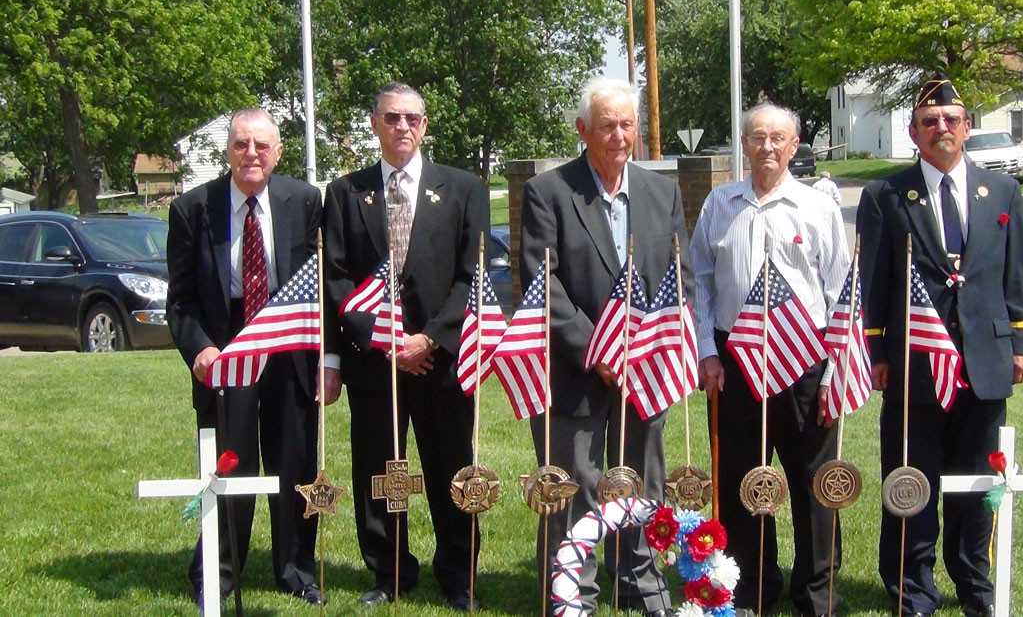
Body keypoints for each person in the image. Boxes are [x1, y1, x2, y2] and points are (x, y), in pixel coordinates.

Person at [856, 75, 1023, 617]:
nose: (942, 129)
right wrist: (878, 352)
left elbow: (1016, 273)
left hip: (984, 359)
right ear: (914, 132)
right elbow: (873, 280)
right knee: (911, 479)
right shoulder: (885, 196)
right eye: (930, 122)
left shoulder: (1001, 191)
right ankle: (912, 583)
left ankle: (972, 576)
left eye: (951, 120)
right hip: (915, 364)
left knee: (979, 480)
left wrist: (1022, 340)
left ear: (967, 128)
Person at [520, 76, 691, 617]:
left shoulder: (661, 192)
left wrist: (648, 349)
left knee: (641, 483)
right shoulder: (548, 192)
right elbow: (542, 285)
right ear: (581, 131)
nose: (619, 136)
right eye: (606, 126)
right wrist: (601, 351)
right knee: (577, 488)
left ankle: (642, 583)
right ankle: (574, 593)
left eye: (627, 124)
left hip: (647, 369)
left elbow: (678, 278)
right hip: (577, 373)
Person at [322, 82, 489, 612]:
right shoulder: (347, 192)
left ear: (425, 124)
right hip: (375, 362)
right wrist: (381, 337)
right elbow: (337, 277)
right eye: (392, 118)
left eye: (413, 118)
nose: (403, 128)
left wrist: (428, 338)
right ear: (375, 123)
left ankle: (458, 575)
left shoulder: (463, 188)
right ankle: (389, 570)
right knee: (379, 471)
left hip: (441, 361)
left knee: (450, 471)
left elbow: (474, 276)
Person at [691, 103, 850, 617]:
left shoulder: (818, 207)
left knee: (812, 483)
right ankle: (753, 583)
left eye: (778, 137)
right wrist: (708, 354)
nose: (767, 147)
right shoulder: (719, 204)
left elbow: (841, 293)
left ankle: (817, 591)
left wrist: (834, 371)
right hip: (735, 364)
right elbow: (701, 284)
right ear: (743, 144)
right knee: (745, 479)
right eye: (757, 137)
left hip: (805, 362)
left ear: (795, 144)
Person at [166, 107, 327, 607]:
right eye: (241, 144)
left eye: (261, 145)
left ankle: (295, 569)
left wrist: (329, 358)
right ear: (228, 151)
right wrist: (201, 349)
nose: (251, 154)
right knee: (228, 461)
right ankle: (217, 571)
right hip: (226, 342)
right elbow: (181, 300)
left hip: (288, 337)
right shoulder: (193, 208)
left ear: (278, 152)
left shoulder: (304, 201)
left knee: (293, 458)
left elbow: (322, 287)